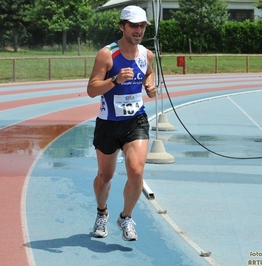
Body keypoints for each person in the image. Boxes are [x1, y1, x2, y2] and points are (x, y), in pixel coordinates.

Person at [86, 5, 156, 241]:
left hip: (136, 121)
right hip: (108, 123)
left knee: (136, 172)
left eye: (142, 25)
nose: (139, 30)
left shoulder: (147, 55)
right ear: (122, 26)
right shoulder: (107, 54)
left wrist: (150, 86)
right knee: (105, 176)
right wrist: (115, 80)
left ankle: (126, 217)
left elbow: (148, 74)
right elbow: (91, 89)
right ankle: (101, 212)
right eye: (134, 25)